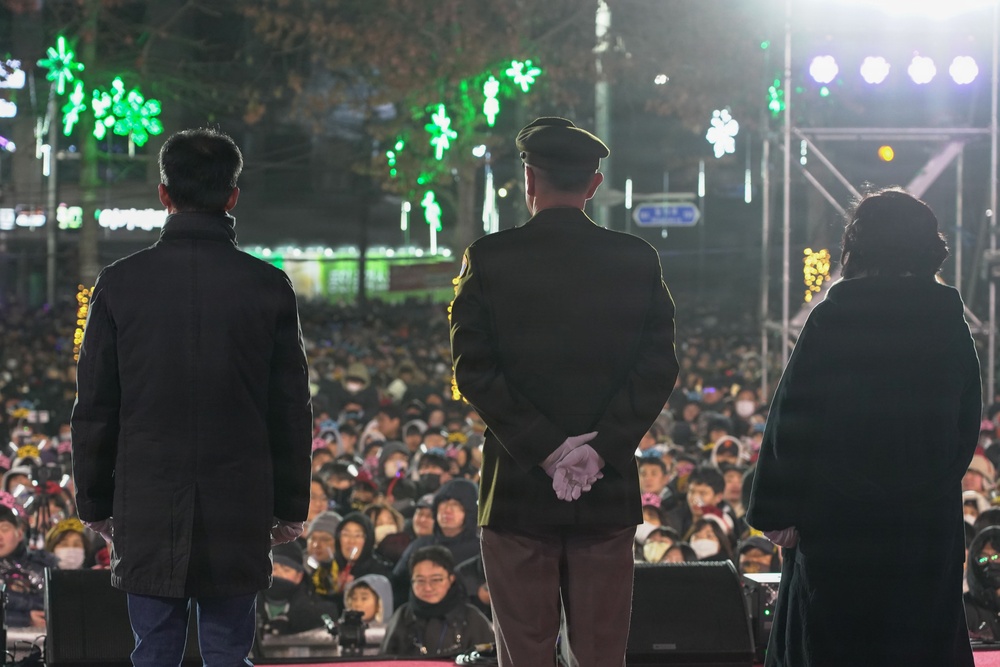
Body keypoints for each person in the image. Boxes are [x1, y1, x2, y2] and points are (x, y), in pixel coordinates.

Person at [71, 128, 313, 667]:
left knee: (153, 650)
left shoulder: (118, 283)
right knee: (230, 650)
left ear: (164, 193)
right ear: (232, 196)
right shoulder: (269, 286)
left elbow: (94, 408)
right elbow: (291, 410)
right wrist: (291, 504)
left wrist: (94, 501)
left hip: (148, 500)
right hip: (241, 500)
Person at [451, 117, 678, 667]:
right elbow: (657, 369)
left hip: (516, 491)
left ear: (529, 178)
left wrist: (551, 451)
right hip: (607, 493)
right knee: (600, 656)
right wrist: (596, 451)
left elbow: (473, 371)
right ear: (593, 185)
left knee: (524, 655)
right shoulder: (636, 258)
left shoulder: (488, 258)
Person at [746, 188, 981, 667]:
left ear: (858, 246)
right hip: (924, 525)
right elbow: (964, 427)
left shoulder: (835, 320)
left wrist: (776, 506)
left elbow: (793, 417)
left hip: (840, 524)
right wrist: (929, 482)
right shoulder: (946, 322)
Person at [380, 546, 493, 657]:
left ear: (451, 579)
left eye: (436, 580)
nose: (428, 587)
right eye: (420, 580)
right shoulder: (402, 616)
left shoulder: (472, 618)